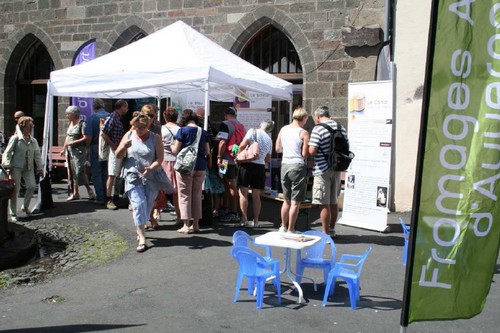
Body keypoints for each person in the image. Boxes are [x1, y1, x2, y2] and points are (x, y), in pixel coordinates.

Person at [116, 112, 165, 253]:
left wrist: (151, 167)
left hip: (151, 176)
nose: (139, 131)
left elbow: (160, 158)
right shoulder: (128, 135)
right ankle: (142, 237)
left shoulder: (155, 138)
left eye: (141, 128)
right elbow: (118, 155)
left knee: (148, 205)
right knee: (139, 204)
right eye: (136, 128)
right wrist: (124, 146)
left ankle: (140, 226)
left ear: (147, 125)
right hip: (132, 176)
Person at [308, 106, 348, 237]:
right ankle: (332, 229)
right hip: (336, 168)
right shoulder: (341, 127)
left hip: (321, 169)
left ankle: (325, 233)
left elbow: (312, 151)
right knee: (333, 202)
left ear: (318, 116)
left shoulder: (318, 128)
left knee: (323, 203)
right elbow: (346, 145)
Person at [171, 109, 210, 234]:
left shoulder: (182, 131)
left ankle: (186, 225)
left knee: (184, 195)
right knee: (197, 195)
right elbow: (207, 151)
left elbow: (175, 150)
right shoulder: (203, 132)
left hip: (185, 167)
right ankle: (196, 224)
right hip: (200, 166)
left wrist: (170, 146)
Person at [275, 107, 310, 233]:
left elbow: (278, 148)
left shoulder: (283, 129)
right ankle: (291, 229)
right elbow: (305, 154)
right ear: (304, 118)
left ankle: (283, 226)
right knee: (295, 202)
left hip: (285, 164)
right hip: (298, 165)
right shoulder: (303, 133)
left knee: (286, 200)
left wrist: (288, 151)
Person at [1, 116, 42, 221]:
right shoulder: (15, 139)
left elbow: (37, 155)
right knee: (15, 190)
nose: (32, 127)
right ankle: (13, 213)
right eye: (30, 125)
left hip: (28, 167)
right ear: (23, 126)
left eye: (32, 125)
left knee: (32, 186)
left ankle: (25, 206)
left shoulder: (33, 140)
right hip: (16, 167)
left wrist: (40, 168)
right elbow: (7, 152)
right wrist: (7, 165)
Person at [236, 119, 274, 227]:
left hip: (247, 165)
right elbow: (268, 157)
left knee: (243, 192)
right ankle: (256, 221)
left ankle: (244, 219)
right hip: (260, 166)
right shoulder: (269, 139)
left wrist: (239, 156)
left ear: (261, 125)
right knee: (256, 195)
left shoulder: (252, 131)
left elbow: (243, 144)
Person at [217, 106, 245, 223]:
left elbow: (223, 141)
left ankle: (232, 211)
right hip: (236, 159)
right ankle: (228, 209)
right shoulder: (241, 126)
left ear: (225, 114)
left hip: (225, 159)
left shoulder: (225, 124)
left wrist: (218, 156)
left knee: (228, 184)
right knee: (230, 184)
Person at [61, 106, 95, 201]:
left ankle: (89, 190)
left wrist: (74, 143)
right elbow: (67, 137)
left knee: (79, 171)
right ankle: (75, 193)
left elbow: (86, 138)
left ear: (74, 114)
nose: (66, 116)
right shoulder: (69, 123)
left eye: (68, 114)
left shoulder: (81, 124)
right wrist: (64, 148)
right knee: (73, 172)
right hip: (70, 152)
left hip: (79, 152)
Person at [101, 99, 128, 210]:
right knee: (112, 174)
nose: (127, 109)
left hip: (118, 148)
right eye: (126, 107)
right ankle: (108, 199)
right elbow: (103, 133)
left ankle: (115, 197)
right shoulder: (112, 117)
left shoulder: (117, 117)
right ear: (121, 107)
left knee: (116, 174)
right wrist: (113, 146)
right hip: (114, 149)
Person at [84, 98, 109, 205]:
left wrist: (87, 147)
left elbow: (88, 135)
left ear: (94, 107)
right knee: (106, 172)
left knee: (96, 173)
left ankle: (100, 197)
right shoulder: (110, 116)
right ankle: (107, 195)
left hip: (95, 146)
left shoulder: (92, 118)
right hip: (109, 146)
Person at [161, 106, 181, 223]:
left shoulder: (161, 129)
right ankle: (179, 216)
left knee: (161, 189)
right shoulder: (180, 129)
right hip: (176, 160)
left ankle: (156, 213)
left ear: (165, 116)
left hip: (163, 160)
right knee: (176, 191)